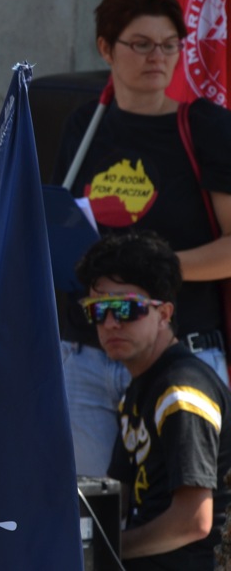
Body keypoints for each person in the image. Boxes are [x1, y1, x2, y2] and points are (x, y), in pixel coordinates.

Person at [52, 0, 231, 478]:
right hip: (88, 353)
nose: (159, 56)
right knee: (85, 516)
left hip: (179, 355)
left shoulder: (206, 128)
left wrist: (151, 275)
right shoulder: (85, 125)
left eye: (170, 44)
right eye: (142, 44)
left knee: (180, 515)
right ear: (107, 48)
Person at [75, 231, 231, 568]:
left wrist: (102, 550)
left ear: (164, 314)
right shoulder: (140, 388)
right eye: (98, 310)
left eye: (126, 309)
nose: (111, 323)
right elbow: (116, 496)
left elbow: (195, 520)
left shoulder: (182, 391)